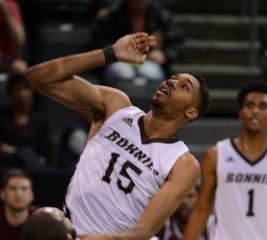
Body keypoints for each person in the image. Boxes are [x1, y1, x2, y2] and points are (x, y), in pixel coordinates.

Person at [24, 32, 210, 239]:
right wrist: (110, 53)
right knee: (42, 220)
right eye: (172, 78)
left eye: (184, 86)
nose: (172, 82)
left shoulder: (183, 163)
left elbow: (145, 230)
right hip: (72, 230)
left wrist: (105, 238)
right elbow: (37, 78)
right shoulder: (116, 106)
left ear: (191, 112)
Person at [182, 81, 267, 240]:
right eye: (250, 105)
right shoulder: (216, 154)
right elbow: (201, 210)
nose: (255, 111)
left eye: (263, 106)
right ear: (240, 113)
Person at [92, 0, 184, 86]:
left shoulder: (161, 15)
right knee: (123, 74)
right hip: (119, 60)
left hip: (149, 60)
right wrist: (115, 52)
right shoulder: (112, 13)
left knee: (151, 74)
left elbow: (176, 42)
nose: (139, 2)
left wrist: (164, 54)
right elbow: (98, 41)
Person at [0, 74, 49, 169]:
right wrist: (14, 152)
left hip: (29, 166)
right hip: (3, 165)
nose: (23, 94)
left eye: (27, 89)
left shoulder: (39, 120)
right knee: (25, 152)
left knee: (27, 153)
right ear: (10, 93)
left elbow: (43, 152)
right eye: (17, 89)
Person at [0, 168, 38, 240]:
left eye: (24, 189)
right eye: (13, 188)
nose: (18, 194)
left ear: (31, 195)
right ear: (2, 194)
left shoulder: (42, 220)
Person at [0, 0, 27, 74]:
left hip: (7, 60)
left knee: (20, 67)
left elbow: (19, 41)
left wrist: (5, 11)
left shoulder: (10, 5)